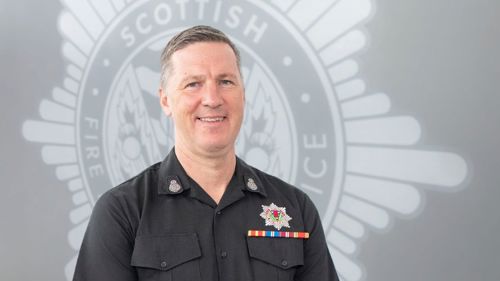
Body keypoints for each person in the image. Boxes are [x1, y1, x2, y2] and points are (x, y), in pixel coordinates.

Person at [73, 25, 339, 281]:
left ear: (243, 96)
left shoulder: (295, 208)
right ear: (165, 100)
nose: (212, 99)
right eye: (193, 84)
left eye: (225, 81)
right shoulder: (122, 212)